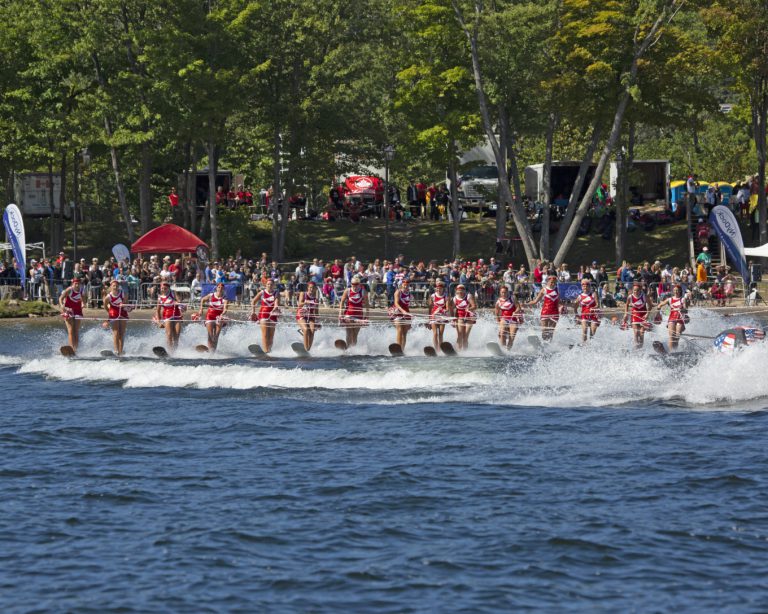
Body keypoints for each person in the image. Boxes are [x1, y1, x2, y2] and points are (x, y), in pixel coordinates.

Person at [526, 275, 560, 343]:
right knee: (544, 330)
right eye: (551, 282)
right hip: (545, 311)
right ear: (547, 282)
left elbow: (558, 302)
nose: (552, 284)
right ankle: (544, 342)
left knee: (551, 331)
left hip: (555, 312)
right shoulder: (544, 290)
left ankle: (549, 344)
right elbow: (535, 301)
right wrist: (526, 304)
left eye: (554, 282)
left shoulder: (557, 289)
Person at [656, 284, 689, 351]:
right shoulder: (670, 299)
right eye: (674, 290)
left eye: (677, 290)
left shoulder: (683, 299)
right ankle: (671, 352)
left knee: (677, 336)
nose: (676, 291)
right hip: (672, 318)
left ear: (680, 291)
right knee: (672, 336)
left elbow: (686, 309)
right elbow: (660, 305)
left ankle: (675, 351)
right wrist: (658, 312)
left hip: (680, 318)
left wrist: (684, 310)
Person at [251, 278, 280, 353]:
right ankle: (265, 350)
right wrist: (253, 312)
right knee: (265, 334)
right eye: (268, 284)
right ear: (265, 285)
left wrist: (276, 307)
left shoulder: (276, 293)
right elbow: (253, 301)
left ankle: (269, 350)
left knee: (271, 336)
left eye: (271, 284)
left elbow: (276, 302)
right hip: (263, 314)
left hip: (273, 315)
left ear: (273, 285)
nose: (269, 286)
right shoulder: (262, 292)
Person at [338, 275, 368, 348]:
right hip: (348, 315)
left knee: (355, 333)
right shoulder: (347, 291)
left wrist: (367, 316)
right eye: (353, 284)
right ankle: (348, 348)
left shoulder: (363, 291)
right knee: (349, 332)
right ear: (351, 284)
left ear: (359, 284)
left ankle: (353, 349)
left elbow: (367, 304)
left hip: (359, 315)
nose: (354, 286)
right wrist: (340, 313)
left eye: (356, 284)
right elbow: (342, 302)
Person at [198, 282, 229, 351]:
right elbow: (202, 300)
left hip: (219, 318)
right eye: (219, 287)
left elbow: (225, 309)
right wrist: (201, 309)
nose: (220, 289)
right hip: (210, 316)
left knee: (216, 336)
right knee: (210, 335)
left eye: (222, 288)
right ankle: (209, 349)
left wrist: (222, 314)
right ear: (216, 288)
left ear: (223, 289)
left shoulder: (225, 299)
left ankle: (213, 351)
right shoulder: (211, 295)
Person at [623, 282, 654, 349]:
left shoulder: (644, 296)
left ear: (640, 290)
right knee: (636, 332)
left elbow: (650, 306)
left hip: (643, 315)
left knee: (641, 332)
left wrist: (647, 314)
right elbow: (627, 304)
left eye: (637, 290)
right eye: (634, 290)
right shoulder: (630, 297)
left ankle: (641, 347)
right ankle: (636, 347)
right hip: (634, 315)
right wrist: (626, 313)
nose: (636, 292)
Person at [104, 279, 130, 355]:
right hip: (113, 312)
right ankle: (116, 350)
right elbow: (105, 306)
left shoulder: (123, 293)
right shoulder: (108, 297)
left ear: (119, 286)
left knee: (122, 333)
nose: (115, 287)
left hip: (122, 312)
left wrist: (124, 305)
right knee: (116, 332)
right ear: (111, 287)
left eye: (117, 286)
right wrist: (109, 312)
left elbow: (126, 303)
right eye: (114, 286)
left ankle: (120, 351)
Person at [156, 281, 184, 351]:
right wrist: (159, 322)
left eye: (165, 288)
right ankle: (170, 351)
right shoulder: (160, 298)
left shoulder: (173, 293)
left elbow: (179, 301)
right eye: (162, 288)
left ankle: (174, 352)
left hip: (177, 316)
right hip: (167, 317)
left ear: (168, 288)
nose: (163, 290)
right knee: (169, 335)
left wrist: (177, 302)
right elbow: (158, 311)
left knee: (176, 336)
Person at [59, 278, 84, 352]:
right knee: (70, 330)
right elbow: (61, 298)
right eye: (75, 283)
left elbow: (83, 299)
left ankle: (76, 349)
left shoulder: (82, 290)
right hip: (68, 310)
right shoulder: (69, 289)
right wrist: (62, 305)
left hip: (78, 311)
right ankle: (71, 348)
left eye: (78, 283)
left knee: (76, 330)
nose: (77, 285)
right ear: (72, 284)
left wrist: (83, 303)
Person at [494, 285, 523, 350]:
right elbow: (496, 310)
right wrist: (497, 318)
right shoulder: (498, 301)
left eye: (505, 292)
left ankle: (508, 350)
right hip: (504, 318)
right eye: (502, 292)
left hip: (513, 319)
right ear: (500, 292)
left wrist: (515, 312)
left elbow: (518, 307)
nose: (503, 294)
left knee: (511, 337)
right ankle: (503, 348)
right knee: (502, 333)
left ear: (507, 292)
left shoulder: (513, 298)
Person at [296, 280, 320, 351]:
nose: (311, 289)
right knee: (306, 329)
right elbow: (299, 304)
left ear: (315, 289)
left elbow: (316, 311)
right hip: (301, 314)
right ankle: (305, 348)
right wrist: (305, 302)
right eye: (310, 287)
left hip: (311, 316)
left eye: (313, 288)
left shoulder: (316, 299)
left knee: (312, 331)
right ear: (307, 288)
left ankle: (308, 349)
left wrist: (317, 321)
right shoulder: (303, 294)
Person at [428, 279, 452, 351]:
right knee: (435, 333)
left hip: (442, 316)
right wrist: (429, 319)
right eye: (437, 288)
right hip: (434, 316)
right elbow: (430, 308)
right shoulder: (432, 296)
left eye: (440, 288)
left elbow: (447, 308)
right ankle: (436, 349)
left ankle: (441, 348)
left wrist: (442, 310)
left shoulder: (446, 297)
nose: (438, 290)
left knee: (441, 334)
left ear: (443, 289)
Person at [452, 283, 477, 351]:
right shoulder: (454, 298)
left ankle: (465, 351)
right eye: (459, 290)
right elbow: (452, 309)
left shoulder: (468, 296)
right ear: (457, 291)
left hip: (469, 317)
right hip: (460, 317)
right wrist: (453, 320)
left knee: (465, 336)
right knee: (460, 335)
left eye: (462, 290)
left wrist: (469, 309)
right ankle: (458, 349)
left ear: (464, 290)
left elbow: (474, 306)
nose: (460, 291)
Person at [391, 277, 413, 350]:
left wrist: (407, 313)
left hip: (406, 312)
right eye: (404, 284)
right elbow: (396, 303)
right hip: (397, 312)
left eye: (407, 285)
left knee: (404, 333)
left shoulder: (409, 294)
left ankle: (402, 349)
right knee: (399, 329)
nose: (406, 286)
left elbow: (407, 305)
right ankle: (398, 347)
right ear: (402, 285)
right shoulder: (398, 292)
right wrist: (402, 311)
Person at [576, 278, 600, 343]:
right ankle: (584, 345)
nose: (585, 287)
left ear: (589, 286)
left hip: (593, 315)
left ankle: (591, 346)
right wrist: (577, 316)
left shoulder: (594, 294)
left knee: (592, 333)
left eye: (587, 285)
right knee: (585, 330)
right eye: (583, 286)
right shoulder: (579, 297)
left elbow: (598, 305)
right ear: (582, 287)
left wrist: (594, 308)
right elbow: (575, 307)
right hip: (584, 315)